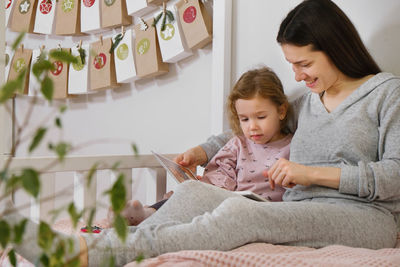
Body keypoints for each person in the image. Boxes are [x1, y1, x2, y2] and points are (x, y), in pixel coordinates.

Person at [3, 0, 400, 266]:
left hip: (362, 217)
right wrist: (202, 150)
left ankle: (90, 255)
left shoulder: (385, 94)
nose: (296, 75)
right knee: (192, 191)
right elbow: (245, 134)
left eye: (303, 63)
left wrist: (310, 174)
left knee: (240, 212)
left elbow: (395, 174)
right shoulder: (307, 100)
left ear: (335, 48)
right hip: (297, 208)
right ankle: (105, 247)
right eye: (291, 65)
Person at [108, 67, 292, 226]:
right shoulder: (238, 143)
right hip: (230, 207)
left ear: (281, 111)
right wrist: (203, 187)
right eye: (244, 119)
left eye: (261, 117)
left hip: (267, 215)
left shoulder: (294, 146)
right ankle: (147, 214)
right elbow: (221, 175)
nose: (252, 126)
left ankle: (148, 217)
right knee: (189, 195)